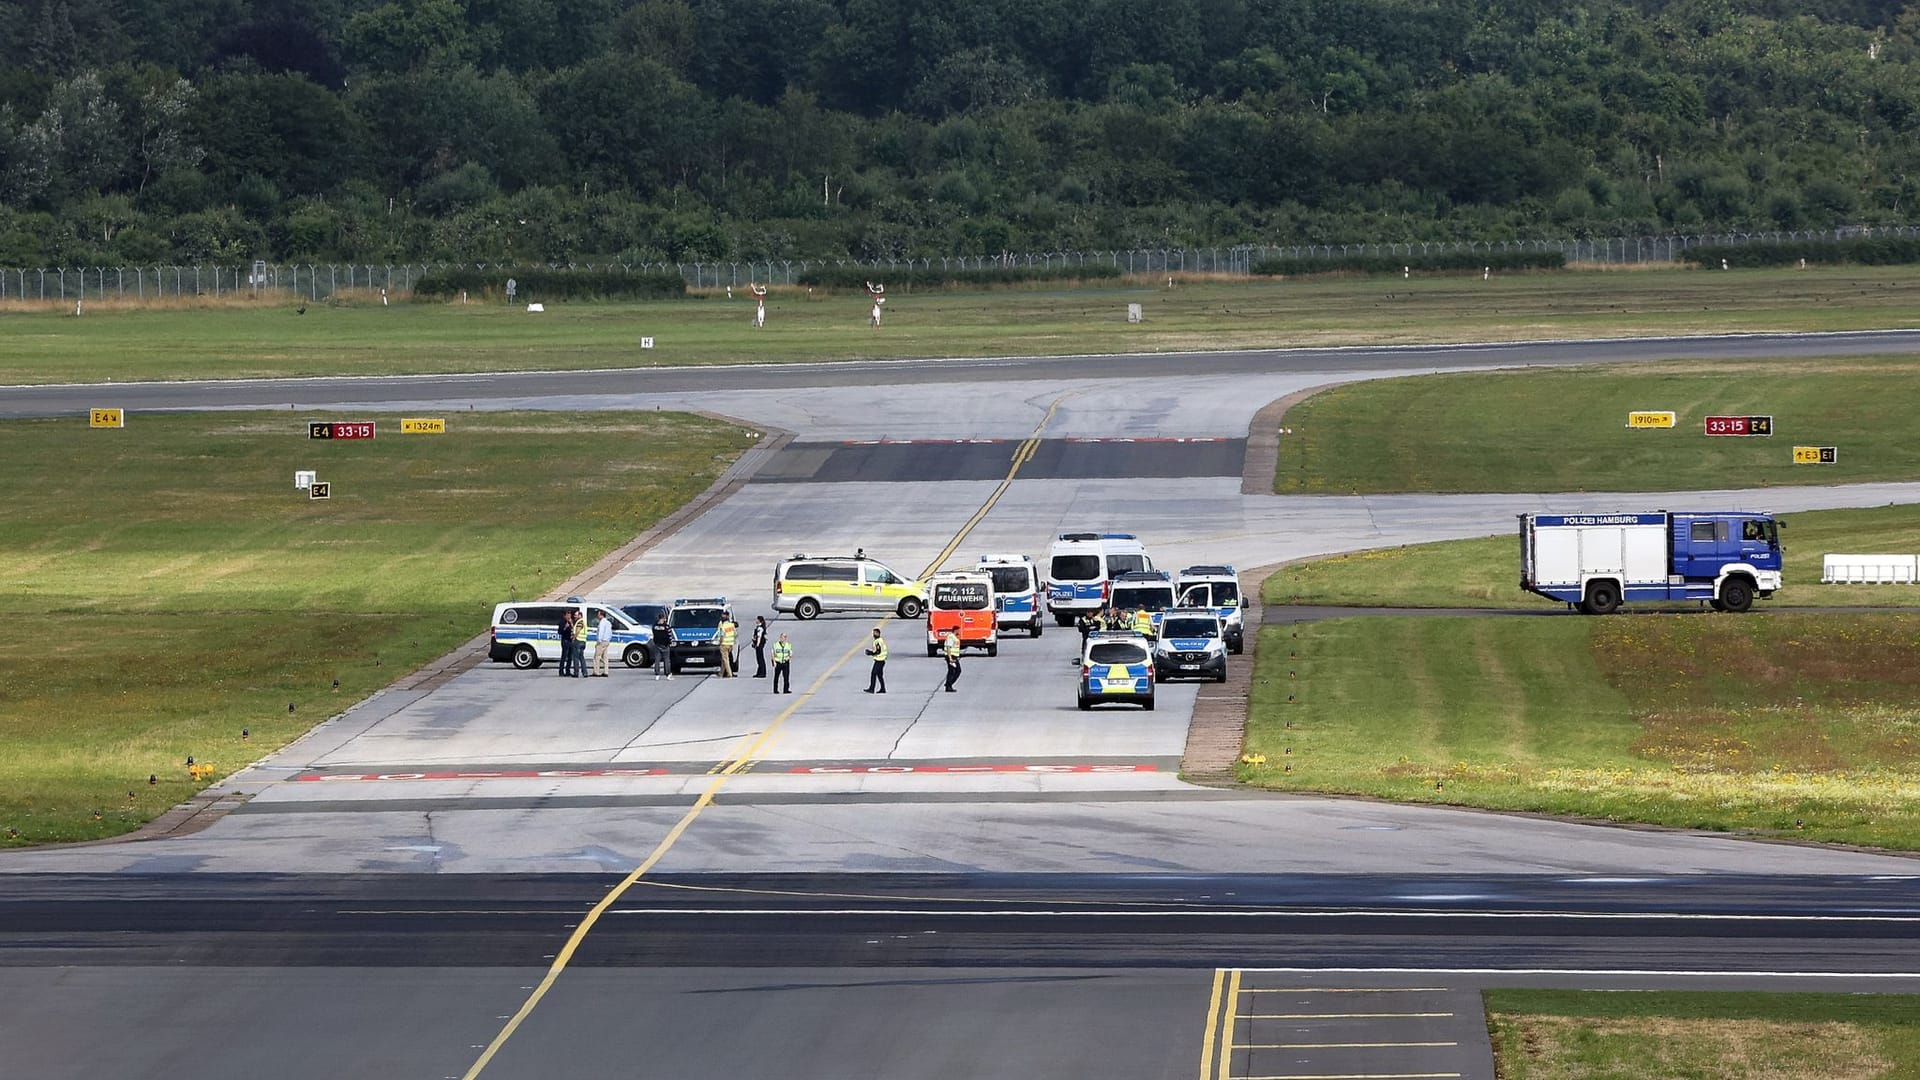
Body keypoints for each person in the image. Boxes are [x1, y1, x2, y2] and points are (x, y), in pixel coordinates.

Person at [863, 627, 888, 693]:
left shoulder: (877, 641)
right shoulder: (881, 640)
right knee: (879, 675)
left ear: (878, 633)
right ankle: (883, 689)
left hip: (879, 660)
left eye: (874, 633)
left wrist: (870, 653)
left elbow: (878, 651)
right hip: (882, 660)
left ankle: (872, 688)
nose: (873, 634)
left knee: (873, 673)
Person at [652, 610, 673, 680]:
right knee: (666, 660)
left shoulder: (654, 626)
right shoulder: (666, 626)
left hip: (657, 644)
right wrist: (670, 642)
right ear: (663, 618)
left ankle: (657, 674)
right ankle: (667, 674)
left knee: (657, 660)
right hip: (665, 645)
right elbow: (669, 635)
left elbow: (654, 634)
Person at [592, 611, 613, 677]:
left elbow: (601, 632)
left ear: (601, 615)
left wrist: (599, 641)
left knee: (597, 657)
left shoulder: (602, 623)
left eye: (598, 615)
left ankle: (596, 671)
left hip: (601, 641)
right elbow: (610, 633)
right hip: (606, 641)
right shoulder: (608, 622)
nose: (597, 616)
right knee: (605, 657)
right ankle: (606, 671)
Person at [571, 608, 590, 677]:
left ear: (580, 615)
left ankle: (576, 673)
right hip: (583, 642)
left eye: (576, 615)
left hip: (578, 641)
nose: (574, 616)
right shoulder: (583, 622)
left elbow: (578, 631)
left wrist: (574, 638)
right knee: (581, 657)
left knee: (576, 658)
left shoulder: (580, 622)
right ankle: (585, 672)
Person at [556, 611, 576, 677]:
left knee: (570, 657)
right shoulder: (562, 622)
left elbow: (573, 630)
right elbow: (559, 632)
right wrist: (565, 627)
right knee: (564, 657)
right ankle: (561, 671)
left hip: (571, 641)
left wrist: (572, 624)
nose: (569, 617)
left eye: (570, 615)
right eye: (567, 615)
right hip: (565, 641)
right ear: (564, 616)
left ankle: (568, 671)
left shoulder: (571, 622)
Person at [719, 613, 738, 677]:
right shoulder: (731, 625)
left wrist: (720, 642)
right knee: (724, 659)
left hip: (724, 644)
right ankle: (721, 673)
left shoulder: (723, 626)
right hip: (730, 644)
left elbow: (722, 635)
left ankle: (729, 674)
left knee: (726, 660)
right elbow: (735, 634)